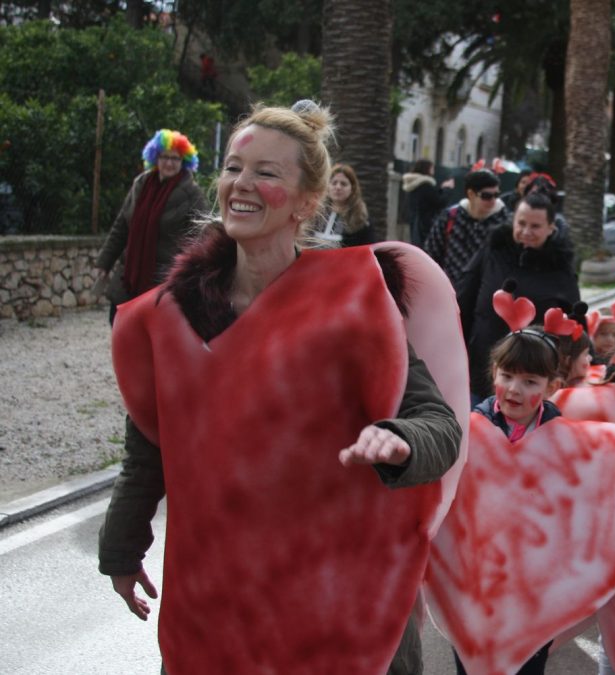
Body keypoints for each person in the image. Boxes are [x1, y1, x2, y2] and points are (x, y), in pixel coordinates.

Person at [98, 102, 464, 674]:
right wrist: (122, 548)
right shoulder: (169, 316)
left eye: (267, 173)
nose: (241, 184)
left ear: (307, 202)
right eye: (233, 167)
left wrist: (400, 439)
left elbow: (440, 426)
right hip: (218, 605)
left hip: (339, 605)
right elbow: (150, 445)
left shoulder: (355, 300)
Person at [454, 324, 565, 674]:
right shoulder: (470, 429)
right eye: (507, 376)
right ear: (493, 374)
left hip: (535, 581)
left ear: (552, 388)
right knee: (472, 659)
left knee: (528, 662)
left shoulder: (564, 440)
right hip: (475, 574)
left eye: (530, 381)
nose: (515, 389)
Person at [456, 193, 580, 401]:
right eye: (521, 223)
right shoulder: (493, 252)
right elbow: (464, 301)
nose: (526, 231)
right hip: (480, 373)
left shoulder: (561, 268)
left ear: (551, 228)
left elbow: (574, 322)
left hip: (531, 383)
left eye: (535, 226)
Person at [95, 129, 208, 324]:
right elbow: (121, 226)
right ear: (155, 157)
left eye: (176, 159)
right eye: (165, 157)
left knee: (152, 338)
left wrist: (189, 276)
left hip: (164, 282)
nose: (170, 163)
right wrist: (104, 263)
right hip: (129, 276)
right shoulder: (141, 184)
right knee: (119, 325)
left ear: (185, 162)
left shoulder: (192, 193)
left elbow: (202, 237)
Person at [424, 168, 511, 287]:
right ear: (471, 194)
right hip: (451, 289)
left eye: (496, 195)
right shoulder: (450, 217)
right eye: (486, 196)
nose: (493, 200)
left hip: (487, 293)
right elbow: (430, 254)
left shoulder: (505, 221)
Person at [313, 163, 376, 247]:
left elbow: (369, 250)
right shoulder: (316, 213)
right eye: (334, 183)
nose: (338, 187)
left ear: (352, 188)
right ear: (327, 186)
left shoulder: (360, 218)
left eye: (343, 184)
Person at [402, 158, 453, 246]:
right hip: (425, 225)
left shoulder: (414, 185)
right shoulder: (425, 185)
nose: (433, 170)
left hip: (415, 222)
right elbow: (439, 202)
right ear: (427, 169)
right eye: (432, 168)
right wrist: (447, 189)